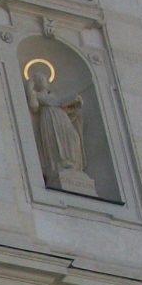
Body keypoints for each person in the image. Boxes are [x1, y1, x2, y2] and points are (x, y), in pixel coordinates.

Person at [24, 61, 92, 191]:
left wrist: (75, 106)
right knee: (56, 143)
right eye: (38, 79)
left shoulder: (54, 96)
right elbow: (34, 107)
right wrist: (29, 90)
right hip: (50, 120)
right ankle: (59, 167)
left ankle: (74, 167)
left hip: (62, 118)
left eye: (43, 78)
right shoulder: (38, 95)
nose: (41, 80)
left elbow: (62, 105)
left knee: (73, 138)